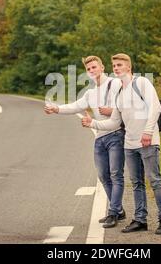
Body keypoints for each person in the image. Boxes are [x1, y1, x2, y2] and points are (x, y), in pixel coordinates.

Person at [82, 53, 161, 235]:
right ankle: (140, 219)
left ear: (128, 67)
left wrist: (147, 132)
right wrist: (92, 123)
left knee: (154, 181)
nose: (116, 68)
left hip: (148, 141)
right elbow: (114, 122)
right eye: (114, 65)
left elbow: (156, 107)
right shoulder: (120, 93)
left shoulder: (142, 83)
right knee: (136, 182)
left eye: (120, 65)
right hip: (129, 144)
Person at [44, 55, 126, 228]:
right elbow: (75, 106)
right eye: (88, 69)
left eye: (94, 67)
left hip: (116, 134)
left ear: (102, 68)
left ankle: (113, 212)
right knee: (103, 175)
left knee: (115, 174)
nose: (91, 71)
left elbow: (127, 104)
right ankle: (118, 209)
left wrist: (112, 109)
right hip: (99, 137)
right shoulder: (90, 93)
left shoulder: (115, 84)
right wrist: (56, 108)